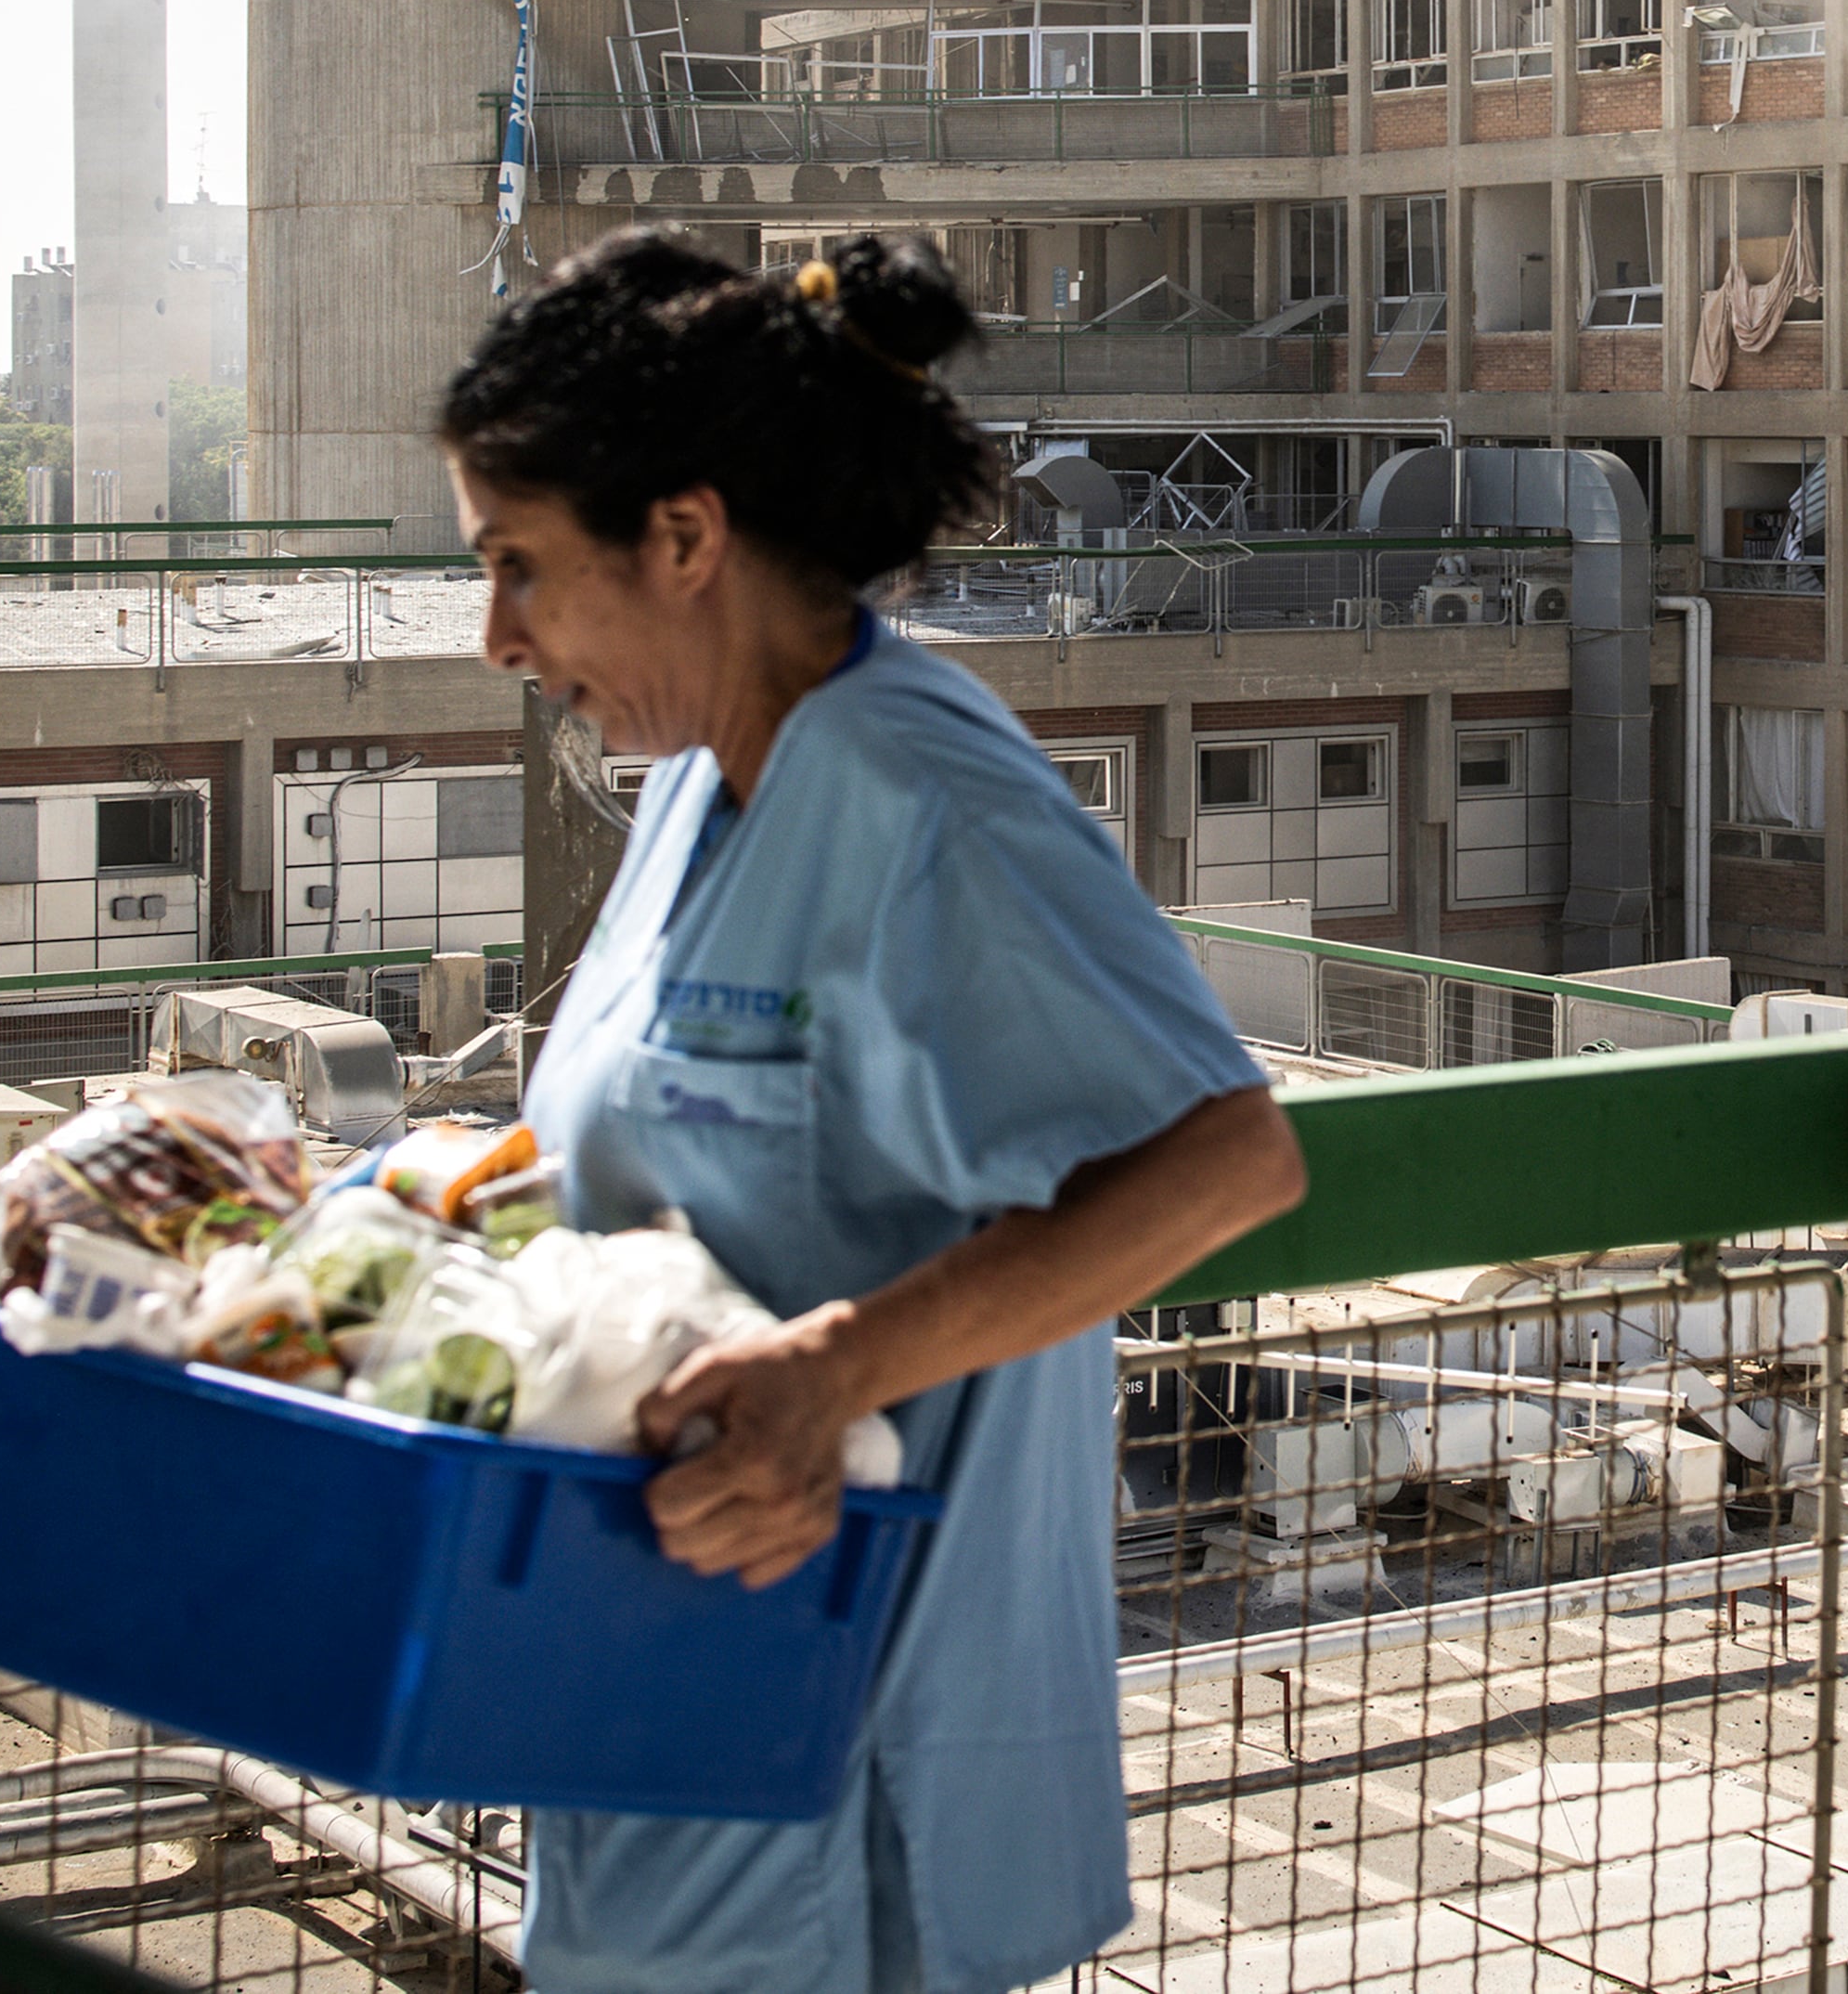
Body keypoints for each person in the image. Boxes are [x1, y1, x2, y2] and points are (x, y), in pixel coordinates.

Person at [446, 230, 1306, 1994]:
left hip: (851, 1797)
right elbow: (653, 1155)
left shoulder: (928, 794)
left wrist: (832, 1370)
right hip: (658, 1749)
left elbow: (1229, 1152)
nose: (498, 636)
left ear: (683, 538)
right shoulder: (700, 784)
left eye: (521, 567)